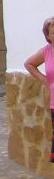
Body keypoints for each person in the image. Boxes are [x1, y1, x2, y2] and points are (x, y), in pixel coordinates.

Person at [24, 16, 54, 163]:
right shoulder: (47, 51)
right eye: (53, 32)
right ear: (48, 35)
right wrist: (44, 79)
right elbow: (29, 64)